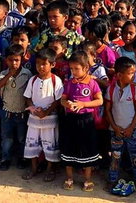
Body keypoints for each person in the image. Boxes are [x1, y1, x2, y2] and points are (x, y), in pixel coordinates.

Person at [60, 50, 103, 192]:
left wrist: (83, 104)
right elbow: (63, 99)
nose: (73, 72)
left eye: (76, 69)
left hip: (86, 121)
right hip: (71, 120)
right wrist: (67, 104)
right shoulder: (69, 83)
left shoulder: (92, 83)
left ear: (85, 68)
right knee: (69, 147)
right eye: (71, 69)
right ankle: (69, 178)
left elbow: (99, 100)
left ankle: (88, 180)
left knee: (87, 149)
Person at [105, 56, 136, 194]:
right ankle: (112, 179)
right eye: (130, 73)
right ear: (119, 75)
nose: (133, 76)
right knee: (115, 156)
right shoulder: (111, 90)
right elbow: (108, 110)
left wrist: (131, 128)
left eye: (134, 73)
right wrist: (115, 127)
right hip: (115, 131)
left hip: (133, 130)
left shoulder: (135, 90)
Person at [22, 48, 63, 182]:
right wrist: (33, 108)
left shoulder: (56, 81)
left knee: (49, 144)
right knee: (32, 143)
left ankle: (50, 169)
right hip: (34, 119)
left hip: (49, 120)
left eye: (44, 64)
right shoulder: (33, 80)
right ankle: (33, 168)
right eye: (38, 63)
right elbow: (27, 97)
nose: (40, 67)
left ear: (52, 64)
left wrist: (46, 112)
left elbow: (58, 100)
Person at [0, 45, 32, 171]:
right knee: (7, 138)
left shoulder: (27, 74)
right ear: (6, 60)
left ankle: (22, 158)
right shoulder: (3, 73)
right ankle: (5, 159)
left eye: (17, 60)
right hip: (7, 113)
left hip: (22, 113)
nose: (14, 63)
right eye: (11, 60)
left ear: (21, 60)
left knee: (22, 138)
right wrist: (9, 75)